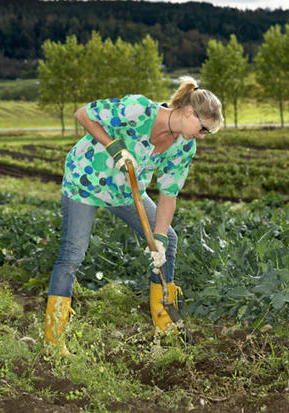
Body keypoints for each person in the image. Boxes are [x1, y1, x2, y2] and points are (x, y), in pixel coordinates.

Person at [44, 77, 223, 355]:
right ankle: (54, 342)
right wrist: (114, 146)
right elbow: (83, 114)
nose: (202, 136)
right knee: (72, 255)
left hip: (126, 192)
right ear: (189, 113)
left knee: (169, 241)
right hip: (87, 181)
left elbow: (169, 193)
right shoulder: (138, 110)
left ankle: (164, 325)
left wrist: (159, 239)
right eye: (203, 129)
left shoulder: (184, 146)